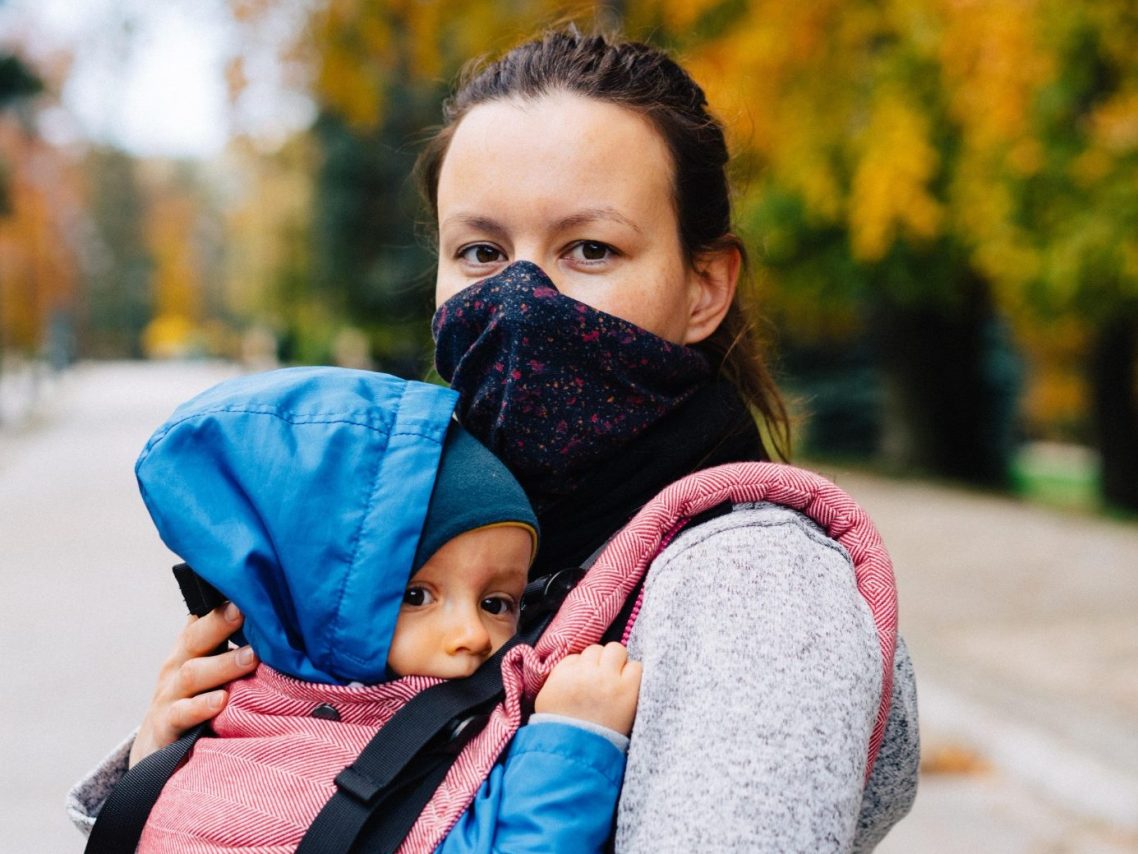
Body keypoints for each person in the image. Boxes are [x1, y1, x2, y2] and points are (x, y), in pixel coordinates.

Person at [71, 27, 919, 852]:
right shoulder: (422, 524)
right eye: (481, 251)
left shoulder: (752, 583)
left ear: (704, 288)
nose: (520, 299)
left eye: (589, 248)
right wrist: (180, 764)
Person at [77, 367, 639, 852]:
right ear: (309, 603)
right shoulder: (244, 775)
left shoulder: (464, 710)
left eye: (497, 603)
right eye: (416, 595)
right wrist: (575, 741)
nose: (471, 634)